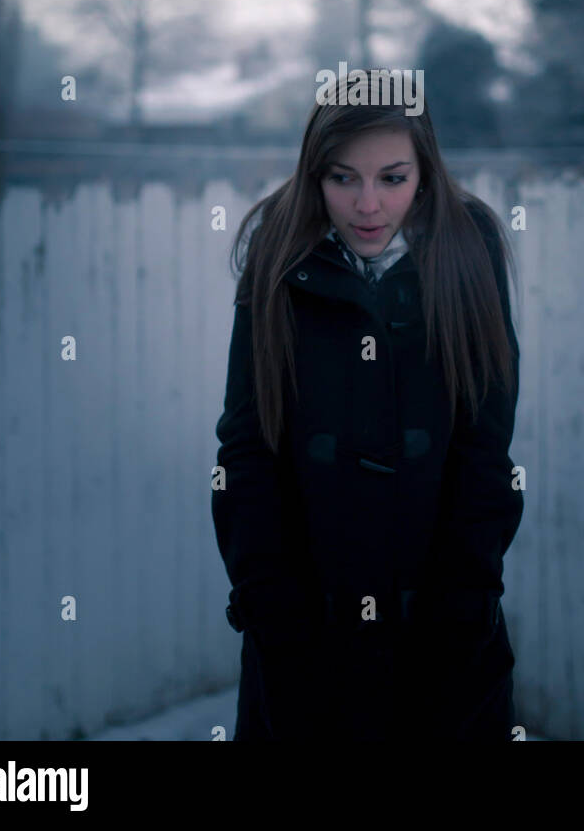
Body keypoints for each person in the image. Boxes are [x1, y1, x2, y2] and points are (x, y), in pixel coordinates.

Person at [211, 72, 524, 741]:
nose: (368, 205)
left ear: (426, 172)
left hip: (444, 639)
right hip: (304, 638)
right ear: (314, 174)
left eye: (392, 177)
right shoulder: (278, 254)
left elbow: (485, 446)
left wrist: (463, 608)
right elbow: (245, 448)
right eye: (342, 178)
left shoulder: (469, 249)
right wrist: (273, 609)